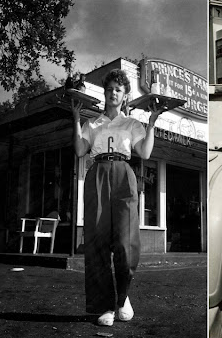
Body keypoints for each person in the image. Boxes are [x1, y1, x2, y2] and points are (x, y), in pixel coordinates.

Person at [71, 69, 166, 326]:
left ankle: (122, 297)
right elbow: (80, 150)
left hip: (124, 175)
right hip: (98, 174)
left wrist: (152, 123)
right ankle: (104, 306)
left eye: (118, 90)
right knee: (98, 241)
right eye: (110, 89)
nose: (113, 93)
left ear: (124, 96)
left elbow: (144, 153)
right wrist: (76, 117)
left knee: (126, 243)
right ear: (105, 93)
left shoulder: (132, 124)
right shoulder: (93, 123)